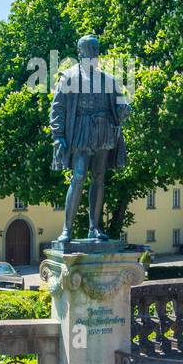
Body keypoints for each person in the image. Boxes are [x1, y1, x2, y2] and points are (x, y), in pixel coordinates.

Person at [49, 35, 131, 243]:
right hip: (81, 129)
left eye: (95, 48)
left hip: (104, 130)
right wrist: (58, 135)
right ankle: (67, 229)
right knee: (78, 176)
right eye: (88, 49)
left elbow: (119, 106)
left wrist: (124, 110)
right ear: (80, 52)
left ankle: (94, 227)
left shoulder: (109, 79)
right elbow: (57, 107)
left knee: (99, 178)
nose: (92, 52)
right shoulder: (68, 77)